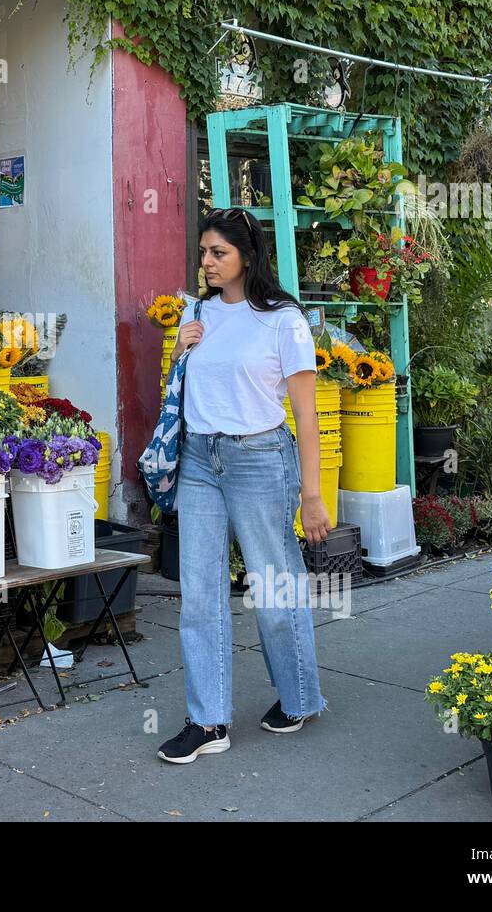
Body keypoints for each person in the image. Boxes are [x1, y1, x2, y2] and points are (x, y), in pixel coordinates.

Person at [157, 207, 330, 764]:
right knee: (199, 595)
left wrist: (312, 494)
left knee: (274, 589)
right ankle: (207, 722)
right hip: (199, 461)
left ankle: (300, 696)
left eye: (218, 253)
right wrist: (181, 350)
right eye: (203, 252)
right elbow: (182, 396)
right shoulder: (197, 311)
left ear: (247, 257)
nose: (206, 263)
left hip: (259, 458)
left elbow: (306, 415)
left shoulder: (283, 319)